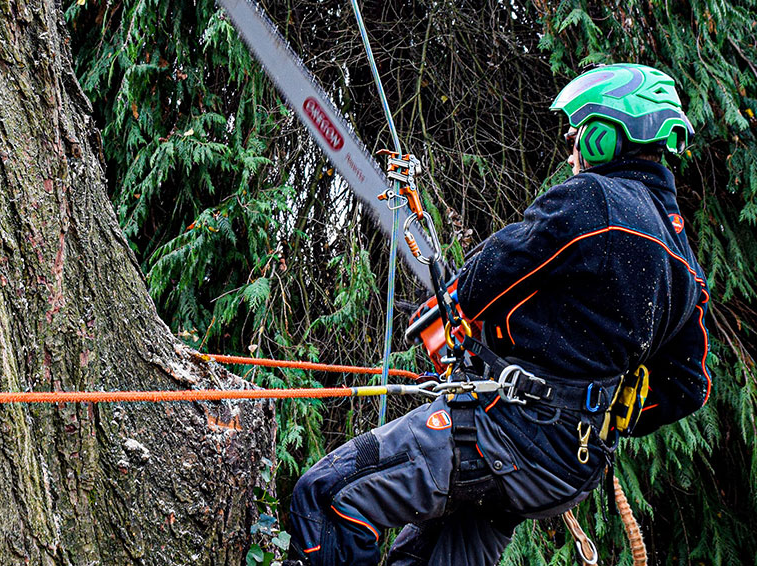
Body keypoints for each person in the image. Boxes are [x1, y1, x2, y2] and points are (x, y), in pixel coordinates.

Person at [285, 63, 710, 566]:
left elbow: (495, 271)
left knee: (331, 498)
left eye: (578, 136)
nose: (572, 150)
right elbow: (688, 386)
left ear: (604, 137)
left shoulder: (593, 199)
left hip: (506, 432)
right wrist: (601, 408)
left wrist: (453, 311)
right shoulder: (686, 266)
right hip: (563, 470)